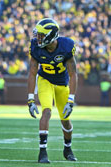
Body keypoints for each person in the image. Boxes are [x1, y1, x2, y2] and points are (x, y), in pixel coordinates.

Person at [27, 18, 78, 163]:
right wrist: (30, 99)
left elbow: (74, 74)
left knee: (65, 120)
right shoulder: (36, 47)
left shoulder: (66, 46)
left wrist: (71, 100)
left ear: (50, 36)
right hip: (45, 80)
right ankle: (42, 152)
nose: (38, 38)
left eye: (41, 35)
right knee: (46, 112)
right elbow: (32, 72)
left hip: (62, 84)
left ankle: (67, 148)